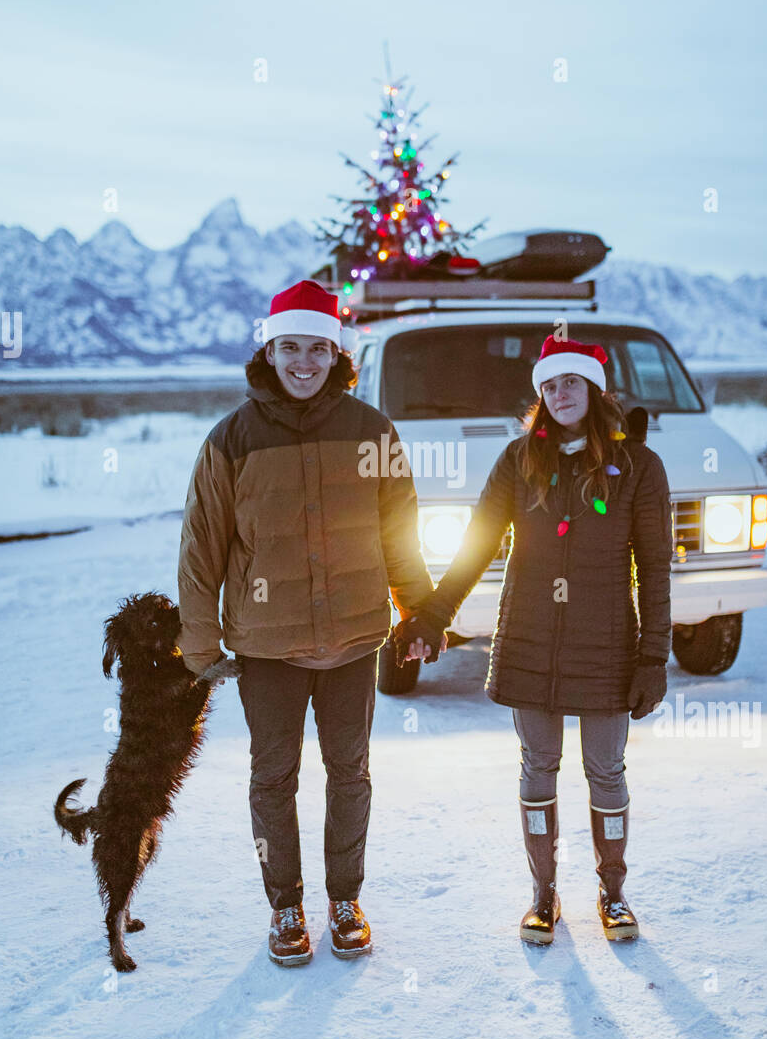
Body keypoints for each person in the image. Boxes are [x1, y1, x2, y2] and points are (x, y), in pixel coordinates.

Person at [176, 279, 435, 966]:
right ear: (270, 348)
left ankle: (344, 898)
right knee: (274, 777)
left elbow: (399, 532)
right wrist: (199, 645)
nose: (303, 362)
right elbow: (202, 550)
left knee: (350, 772)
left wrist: (421, 610)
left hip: (353, 639)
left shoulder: (371, 430)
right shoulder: (230, 440)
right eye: (290, 347)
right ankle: (285, 904)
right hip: (267, 648)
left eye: (316, 349)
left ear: (335, 353)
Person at [395, 335, 672, 943]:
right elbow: (477, 545)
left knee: (607, 770)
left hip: (607, 645)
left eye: (571, 382)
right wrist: (433, 615)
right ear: (539, 395)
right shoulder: (519, 461)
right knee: (538, 766)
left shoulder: (639, 468)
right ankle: (544, 895)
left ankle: (613, 893)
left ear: (595, 388)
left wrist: (654, 654)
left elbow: (654, 568)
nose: (560, 394)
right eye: (549, 386)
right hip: (530, 638)